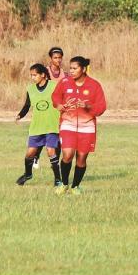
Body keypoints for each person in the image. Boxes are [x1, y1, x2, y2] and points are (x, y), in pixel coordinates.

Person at [52, 56, 107, 195]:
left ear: (83, 69)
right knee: (67, 154)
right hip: (67, 124)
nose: (71, 71)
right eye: (70, 68)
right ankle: (64, 184)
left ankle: (75, 186)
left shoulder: (94, 85)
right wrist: (58, 105)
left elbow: (101, 107)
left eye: (74, 68)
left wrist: (88, 106)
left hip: (87, 127)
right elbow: (55, 96)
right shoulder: (64, 82)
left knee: (81, 158)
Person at [15, 64, 61, 186]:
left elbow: (63, 101)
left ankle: (58, 179)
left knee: (51, 151)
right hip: (37, 127)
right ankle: (28, 174)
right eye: (31, 75)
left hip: (51, 125)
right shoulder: (31, 89)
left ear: (43, 75)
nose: (32, 77)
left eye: (35, 75)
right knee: (30, 153)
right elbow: (27, 105)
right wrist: (20, 115)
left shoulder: (54, 86)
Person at [33, 47, 67, 169]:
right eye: (55, 58)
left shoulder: (65, 74)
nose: (58, 60)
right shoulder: (45, 72)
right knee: (43, 134)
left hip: (57, 109)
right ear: (51, 59)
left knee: (56, 136)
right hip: (46, 108)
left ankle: (55, 163)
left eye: (59, 58)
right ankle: (36, 156)